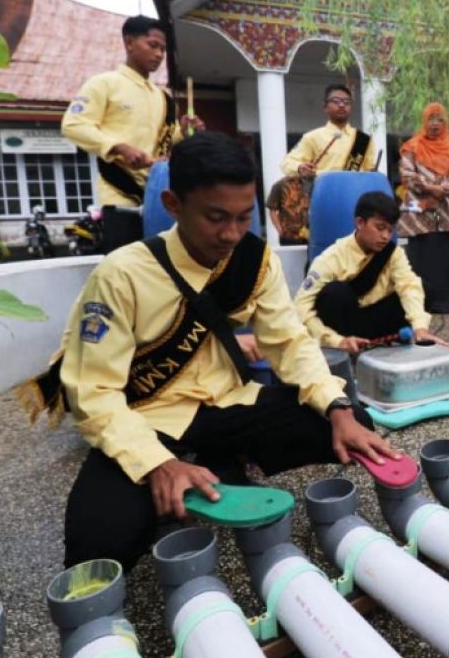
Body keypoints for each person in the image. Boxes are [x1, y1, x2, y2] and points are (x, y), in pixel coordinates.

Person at [23, 132, 390, 571]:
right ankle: (195, 467)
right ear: (174, 204)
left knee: (352, 424)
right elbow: (95, 392)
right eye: (216, 218)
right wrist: (157, 464)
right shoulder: (121, 275)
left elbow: (289, 342)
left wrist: (338, 408)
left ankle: (216, 459)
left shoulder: (255, 260)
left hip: (226, 403)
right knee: (95, 543)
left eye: (243, 217)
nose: (232, 234)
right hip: (150, 418)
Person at [62, 15, 203, 253]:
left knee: (161, 270)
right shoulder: (104, 83)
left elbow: (164, 143)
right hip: (121, 196)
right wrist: (118, 147)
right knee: (125, 273)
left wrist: (185, 132)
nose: (159, 54)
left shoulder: (162, 97)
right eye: (152, 45)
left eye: (163, 49)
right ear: (129, 42)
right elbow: (73, 125)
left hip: (158, 197)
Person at [295, 192, 445, 353]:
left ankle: (384, 340)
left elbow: (408, 286)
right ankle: (349, 346)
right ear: (360, 223)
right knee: (335, 293)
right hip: (344, 326)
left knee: (422, 288)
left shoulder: (393, 253)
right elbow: (301, 308)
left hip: (376, 321)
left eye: (390, 230)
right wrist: (335, 340)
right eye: (380, 228)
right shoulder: (330, 259)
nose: (385, 236)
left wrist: (420, 328)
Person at [398, 102, 449, 314]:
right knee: (423, 253)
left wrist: (444, 188)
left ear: (445, 122)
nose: (435, 124)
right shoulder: (411, 146)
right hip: (419, 208)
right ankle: (424, 304)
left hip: (447, 207)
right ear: (424, 121)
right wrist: (431, 188)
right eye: (431, 119)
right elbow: (407, 175)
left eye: (439, 119)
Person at [280, 84, 377, 180]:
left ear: (351, 107)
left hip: (356, 193)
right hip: (323, 192)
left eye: (346, 102)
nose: (342, 105)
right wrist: (300, 167)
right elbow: (286, 164)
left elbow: (370, 172)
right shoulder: (312, 137)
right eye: (336, 101)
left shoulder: (364, 139)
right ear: (325, 107)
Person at [265, 176, 311, 245]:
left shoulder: (311, 184)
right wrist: (280, 230)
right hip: (288, 236)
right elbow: (272, 210)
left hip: (308, 235)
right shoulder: (279, 185)